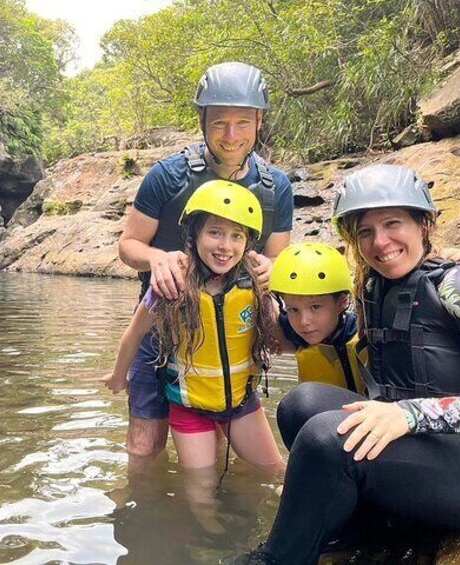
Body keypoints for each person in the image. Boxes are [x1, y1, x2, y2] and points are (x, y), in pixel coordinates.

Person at [226, 164, 460, 564]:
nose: (380, 242)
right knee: (301, 406)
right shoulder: (376, 286)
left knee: (328, 437)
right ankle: (357, 530)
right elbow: (313, 330)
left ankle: (279, 559)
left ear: (424, 223)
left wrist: (409, 416)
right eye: (365, 232)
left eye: (393, 223)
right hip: (429, 450)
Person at [117, 61, 294, 461]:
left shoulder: (276, 187)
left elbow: (278, 258)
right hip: (161, 327)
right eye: (219, 123)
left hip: (227, 333)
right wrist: (157, 259)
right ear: (202, 120)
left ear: (260, 121)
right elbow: (128, 246)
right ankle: (145, 514)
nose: (231, 136)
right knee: (144, 449)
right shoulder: (167, 176)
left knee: (212, 445)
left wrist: (273, 270)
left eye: (243, 123)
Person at [104, 181, 283, 521]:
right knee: (201, 496)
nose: (225, 246)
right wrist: (118, 376)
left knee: (273, 472)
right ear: (195, 234)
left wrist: (276, 282)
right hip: (191, 408)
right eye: (215, 232)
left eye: (236, 236)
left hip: (242, 403)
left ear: (248, 244)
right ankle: (208, 545)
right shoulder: (172, 283)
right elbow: (133, 334)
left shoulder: (255, 284)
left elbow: (277, 335)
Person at [268, 242, 365, 449]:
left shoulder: (364, 331)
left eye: (315, 307)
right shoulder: (297, 332)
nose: (304, 321)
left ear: (342, 302)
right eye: (293, 309)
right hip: (326, 430)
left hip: (368, 424)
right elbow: (270, 318)